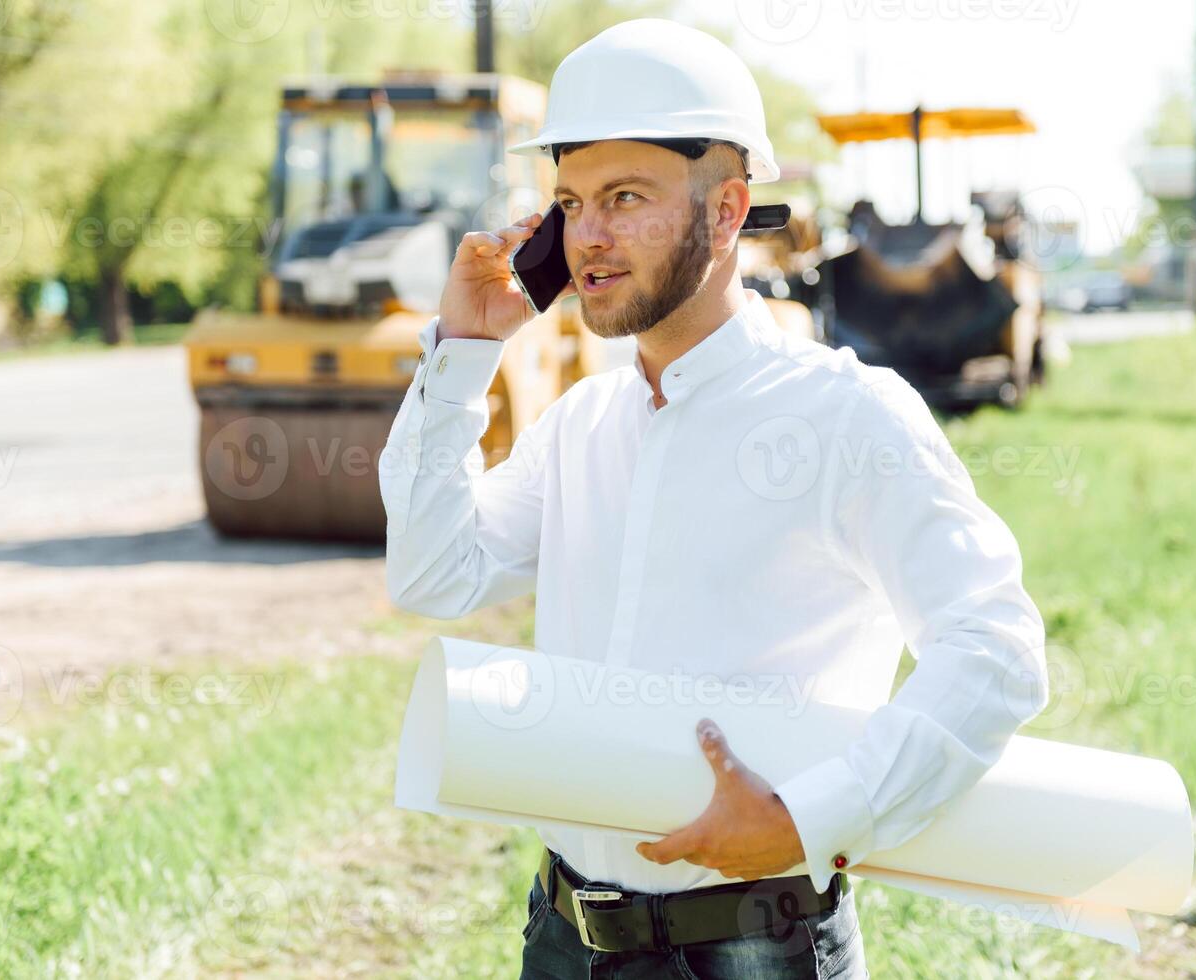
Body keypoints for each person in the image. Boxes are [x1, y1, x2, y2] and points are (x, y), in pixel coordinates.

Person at [380, 18, 1048, 979]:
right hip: (566, 938)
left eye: (624, 197)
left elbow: (995, 650)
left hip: (757, 949)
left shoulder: (847, 417)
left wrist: (806, 821)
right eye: (568, 201)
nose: (587, 236)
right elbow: (432, 575)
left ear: (728, 211)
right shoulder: (581, 424)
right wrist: (463, 352)